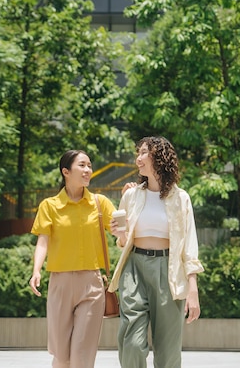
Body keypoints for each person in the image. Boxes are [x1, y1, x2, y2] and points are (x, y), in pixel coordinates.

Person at [108, 136, 205, 368]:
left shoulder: (180, 198)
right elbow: (123, 241)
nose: (138, 158)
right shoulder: (131, 195)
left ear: (158, 157)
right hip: (134, 268)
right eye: (138, 153)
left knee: (168, 351)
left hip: (168, 271)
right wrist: (119, 234)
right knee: (132, 343)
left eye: (143, 153)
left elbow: (190, 245)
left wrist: (193, 289)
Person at [29, 149, 116, 368]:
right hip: (60, 283)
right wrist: (36, 271)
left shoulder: (100, 203)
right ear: (65, 171)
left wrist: (130, 200)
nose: (88, 170)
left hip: (92, 285)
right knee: (61, 355)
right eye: (82, 165)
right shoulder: (49, 206)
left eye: (89, 165)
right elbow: (43, 241)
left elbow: (120, 232)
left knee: (82, 356)